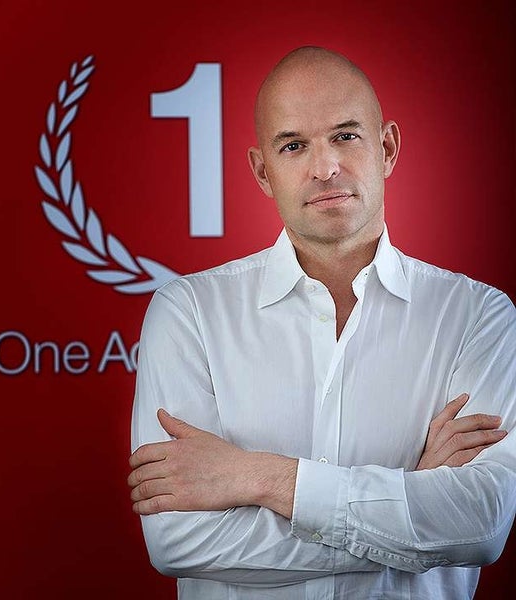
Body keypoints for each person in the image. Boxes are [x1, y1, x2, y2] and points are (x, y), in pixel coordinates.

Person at [128, 46, 516, 599]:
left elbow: (480, 523)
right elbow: (178, 540)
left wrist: (256, 476)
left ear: (387, 148)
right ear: (263, 172)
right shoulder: (187, 312)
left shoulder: (479, 316)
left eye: (345, 136)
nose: (325, 167)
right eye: (293, 146)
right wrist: (412, 502)